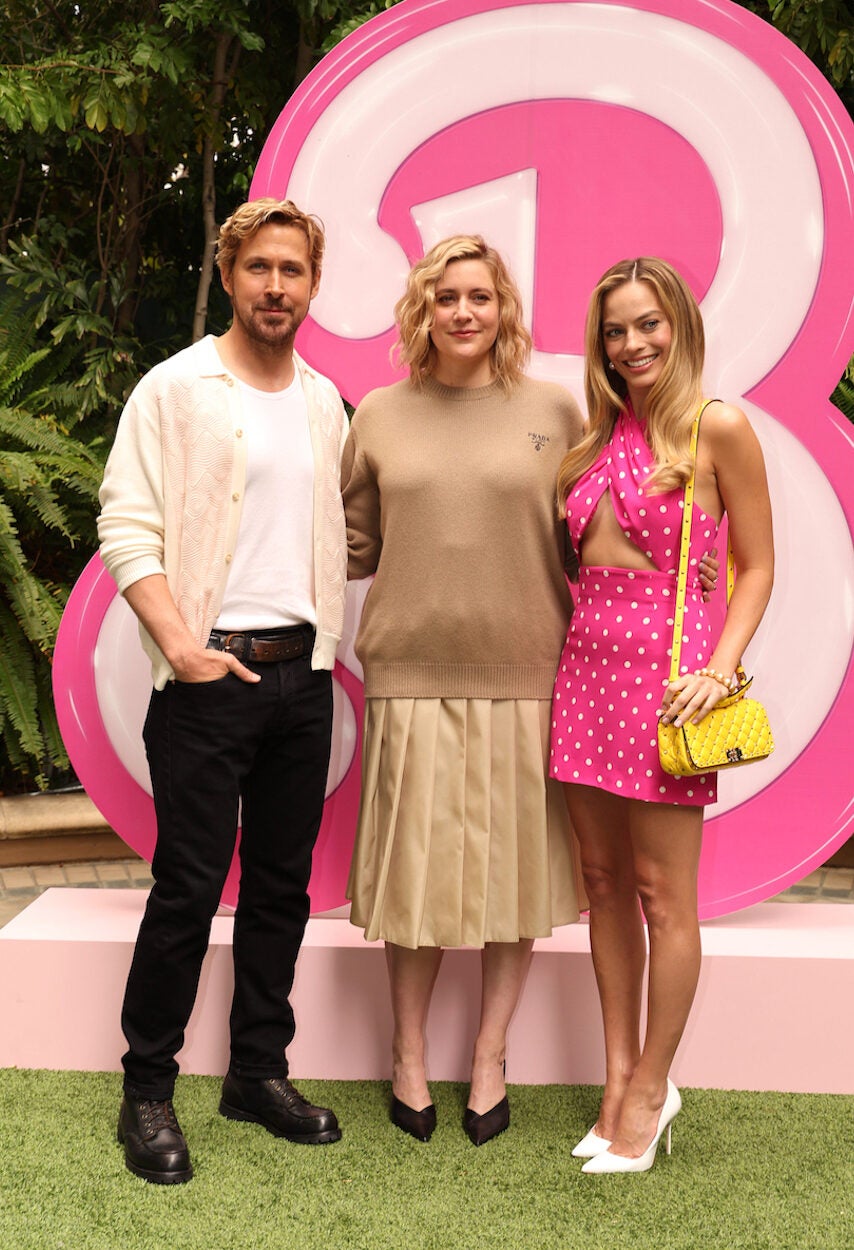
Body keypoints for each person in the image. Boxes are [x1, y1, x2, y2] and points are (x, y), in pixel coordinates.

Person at [98, 198, 348, 1184]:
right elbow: (127, 524)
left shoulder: (324, 400)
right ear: (228, 272)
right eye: (259, 268)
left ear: (312, 285)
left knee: (282, 888)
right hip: (210, 680)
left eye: (293, 270)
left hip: (303, 678)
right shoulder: (175, 388)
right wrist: (182, 644)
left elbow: (337, 531)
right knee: (189, 888)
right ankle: (147, 1088)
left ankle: (256, 1074)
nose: (276, 286)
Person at [341, 236, 587, 1146]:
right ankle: (406, 1053)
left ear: (503, 306)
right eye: (445, 296)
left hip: (527, 676)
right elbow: (346, 546)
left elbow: (589, 538)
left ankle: (491, 1054)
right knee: (417, 880)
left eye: (479, 295)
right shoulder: (378, 415)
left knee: (512, 878)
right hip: (408, 677)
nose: (463, 312)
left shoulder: (555, 411)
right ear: (423, 308)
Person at [550, 257, 774, 1173]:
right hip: (582, 673)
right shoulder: (595, 438)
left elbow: (758, 565)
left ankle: (653, 1087)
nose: (633, 343)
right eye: (616, 330)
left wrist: (719, 670)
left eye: (649, 323)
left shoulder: (718, 426)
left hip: (666, 685)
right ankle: (616, 1082)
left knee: (662, 897)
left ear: (680, 324)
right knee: (602, 886)